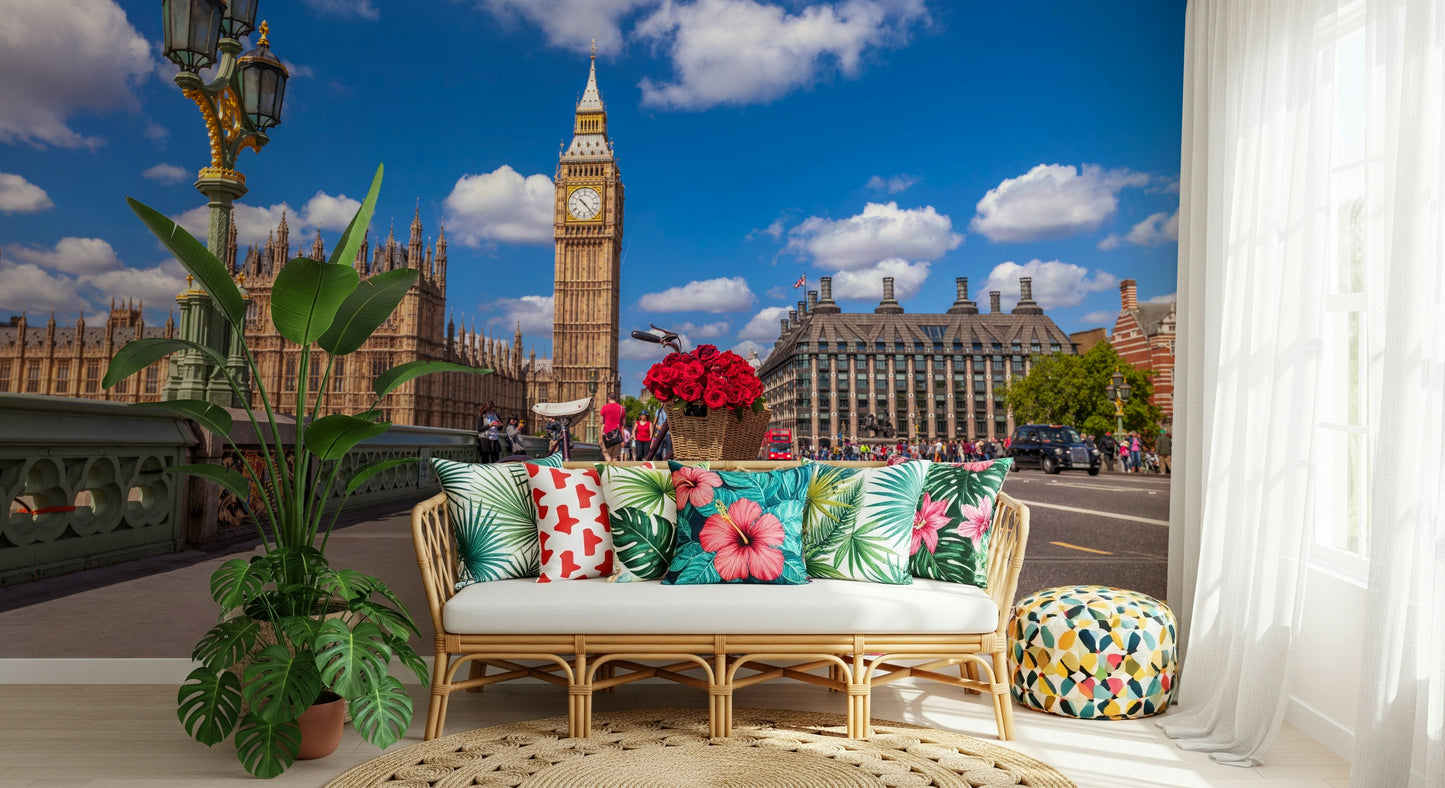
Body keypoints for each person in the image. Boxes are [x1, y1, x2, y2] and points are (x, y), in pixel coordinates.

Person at [599, 393, 624, 462]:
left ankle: (609, 469)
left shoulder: (604, 407)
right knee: (615, 456)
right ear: (616, 398)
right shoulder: (622, 408)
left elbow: (602, 422)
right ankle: (614, 471)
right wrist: (623, 439)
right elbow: (623, 423)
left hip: (607, 435)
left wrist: (600, 438)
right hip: (617, 435)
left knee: (606, 454)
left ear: (608, 398)